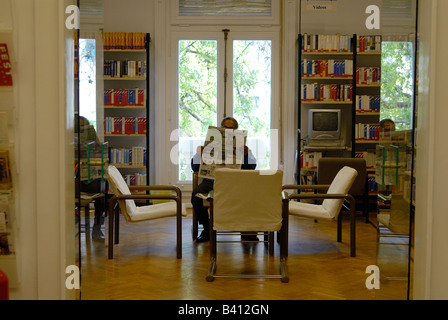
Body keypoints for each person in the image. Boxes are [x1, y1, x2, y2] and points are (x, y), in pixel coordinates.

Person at [191, 117, 257, 243]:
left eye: (231, 128)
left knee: (251, 194)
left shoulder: (243, 148)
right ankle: (207, 228)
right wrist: (199, 154)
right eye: (225, 128)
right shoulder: (209, 145)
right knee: (196, 195)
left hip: (236, 183)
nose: (228, 130)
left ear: (236, 130)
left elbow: (252, 167)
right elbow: (195, 167)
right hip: (212, 182)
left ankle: (247, 230)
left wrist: (247, 155)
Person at [75, 116, 109, 241]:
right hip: (73, 183)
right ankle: (96, 227)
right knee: (101, 190)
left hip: (85, 177)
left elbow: (99, 148)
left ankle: (97, 227)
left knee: (102, 190)